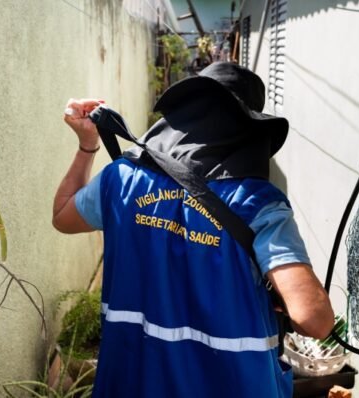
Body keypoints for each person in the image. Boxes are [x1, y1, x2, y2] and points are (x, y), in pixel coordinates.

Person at [53, 62, 334, 398]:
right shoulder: (259, 204)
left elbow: (62, 216)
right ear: (249, 130)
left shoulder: (120, 181)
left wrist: (88, 145)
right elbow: (315, 320)